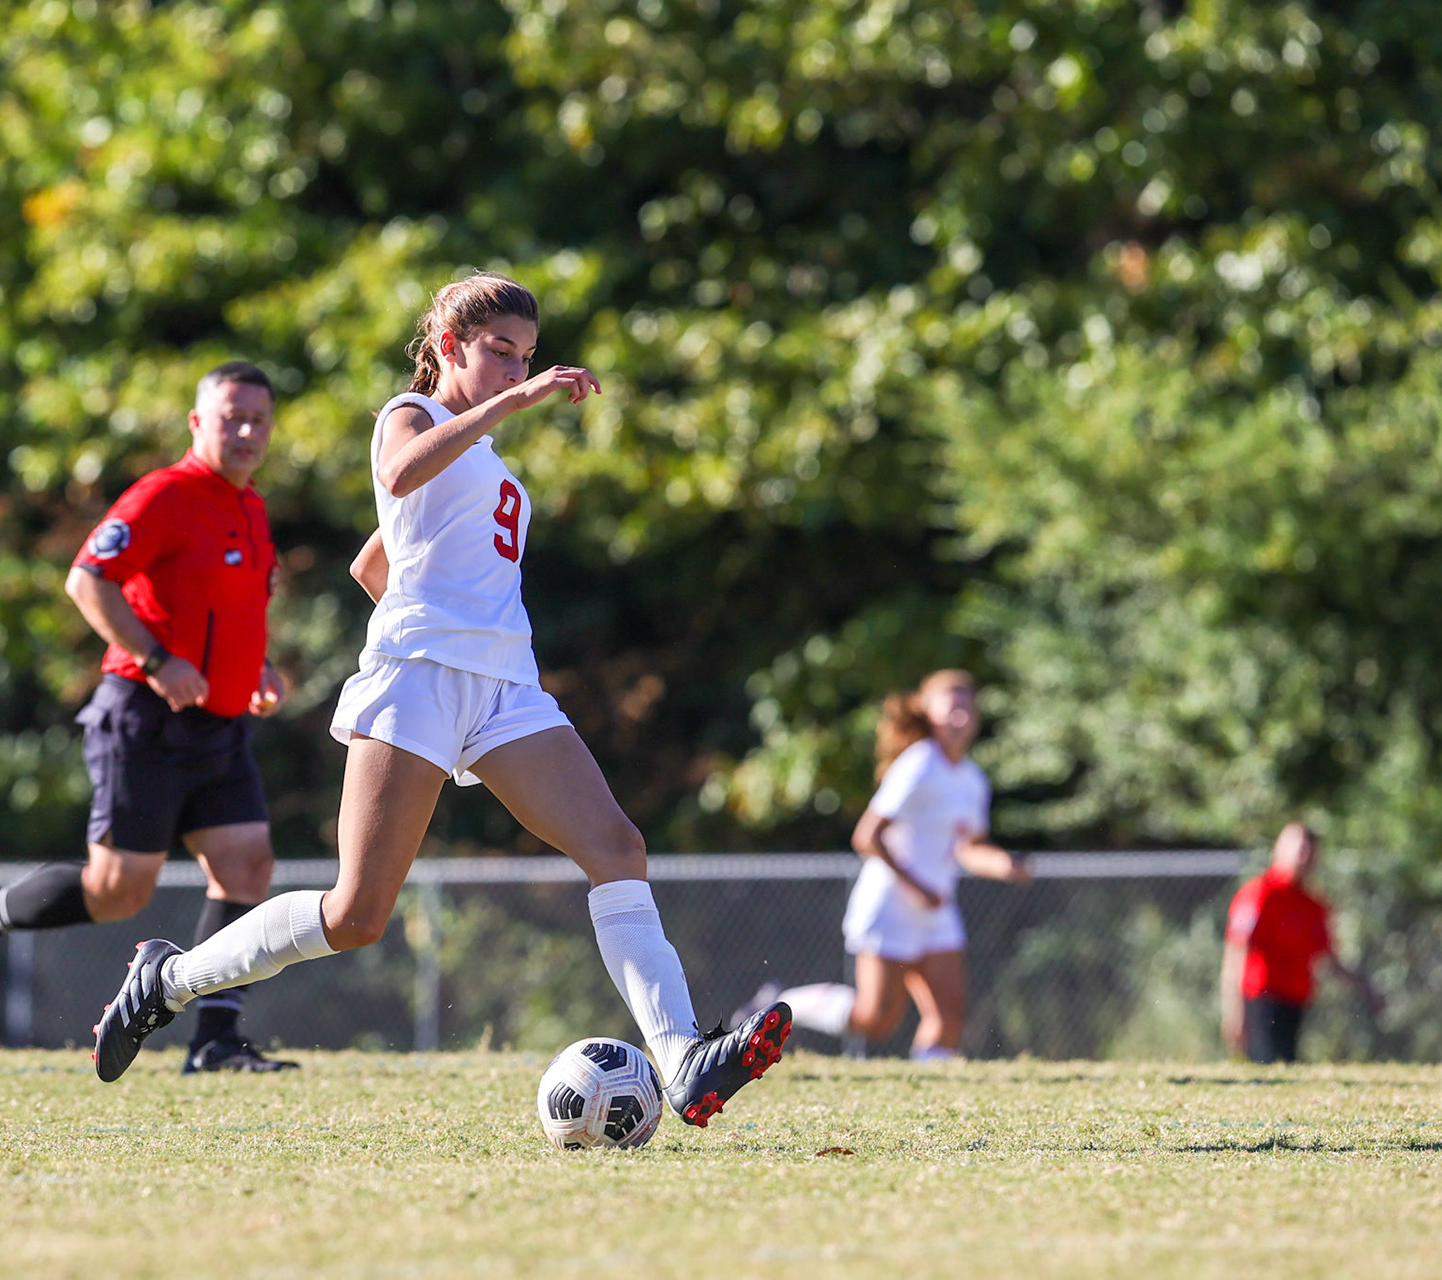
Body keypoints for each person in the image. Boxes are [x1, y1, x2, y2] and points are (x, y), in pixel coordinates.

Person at [88, 272, 793, 1125]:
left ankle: (682, 1059)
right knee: (357, 914)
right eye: (499, 351)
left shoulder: (485, 456)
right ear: (449, 346)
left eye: (525, 357)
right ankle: (167, 979)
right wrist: (511, 409)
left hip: (504, 684)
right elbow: (400, 468)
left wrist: (438, 604)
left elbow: (371, 565)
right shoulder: (410, 415)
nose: (512, 369)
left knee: (617, 846)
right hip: (418, 680)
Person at [0, 361, 298, 1073]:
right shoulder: (167, 493)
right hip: (145, 718)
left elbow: (228, 610)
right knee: (118, 892)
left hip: (218, 725)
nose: (247, 430)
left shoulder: (251, 507)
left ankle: (215, 1042)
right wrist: (157, 660)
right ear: (197, 423)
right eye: (231, 416)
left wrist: (258, 669)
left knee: (246, 865)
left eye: (259, 419)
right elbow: (87, 580)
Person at [747, 670, 1028, 1060]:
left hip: (936, 908)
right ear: (928, 712)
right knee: (876, 1019)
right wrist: (918, 888)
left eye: (968, 706)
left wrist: (1004, 864)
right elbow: (867, 836)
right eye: (951, 705)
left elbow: (967, 848)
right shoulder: (919, 762)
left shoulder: (973, 780)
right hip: (890, 905)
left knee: (950, 1015)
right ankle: (782, 1003)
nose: (961, 715)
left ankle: (930, 1100)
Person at [1221, 822, 1376, 1065]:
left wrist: (1363, 984)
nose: (1303, 857)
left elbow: (1329, 958)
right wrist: (1234, 1012)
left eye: (1309, 851)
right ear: (1278, 849)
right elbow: (1235, 953)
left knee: (1287, 1064)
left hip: (1295, 1001)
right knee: (1266, 1069)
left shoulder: (1314, 906)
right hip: (1262, 1000)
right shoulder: (1257, 895)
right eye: (1298, 849)